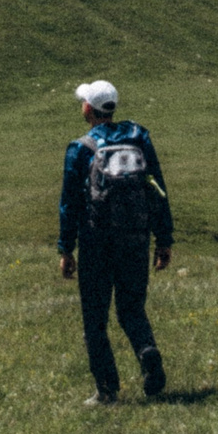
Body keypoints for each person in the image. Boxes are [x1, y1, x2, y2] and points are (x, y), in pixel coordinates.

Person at [57, 79, 172, 404]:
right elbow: (157, 188)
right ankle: (147, 353)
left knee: (95, 317)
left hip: (96, 242)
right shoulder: (139, 137)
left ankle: (107, 390)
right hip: (135, 239)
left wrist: (66, 248)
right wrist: (163, 239)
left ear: (89, 110)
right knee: (131, 308)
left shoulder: (80, 148)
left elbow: (70, 204)